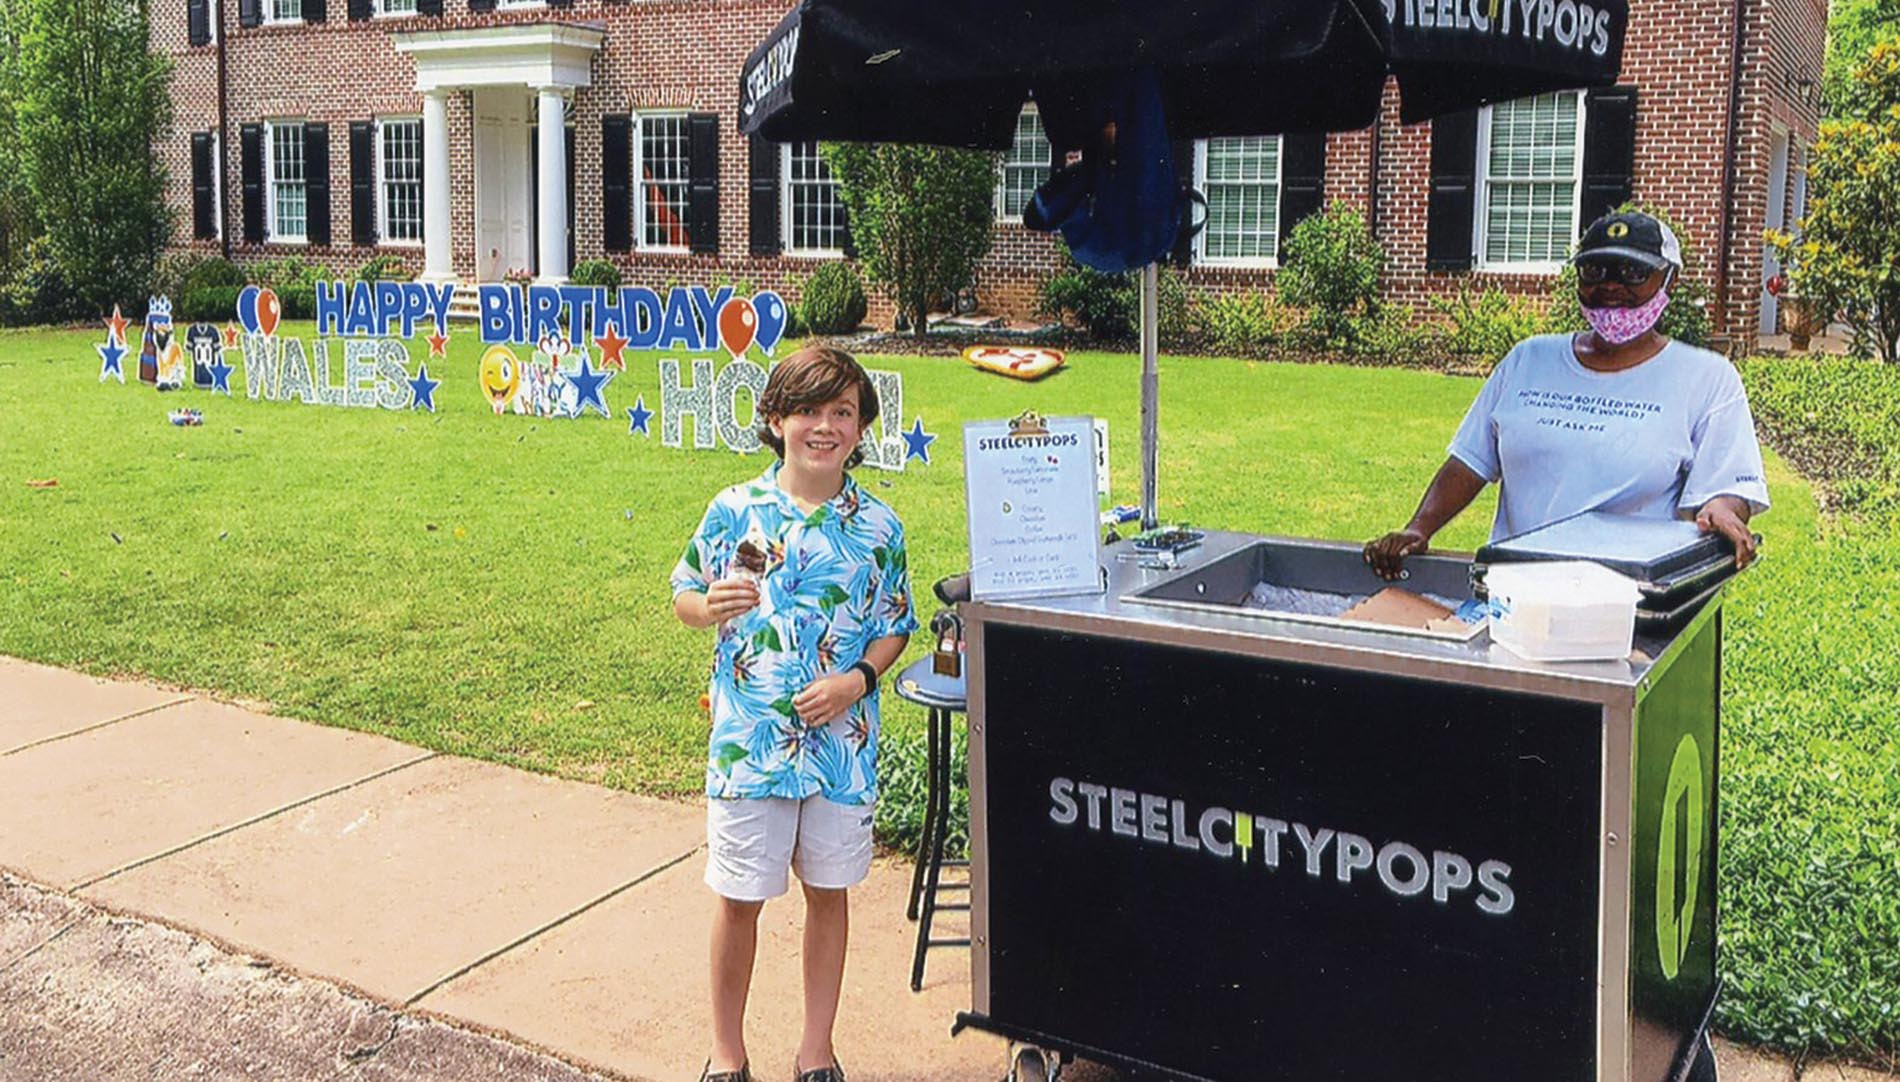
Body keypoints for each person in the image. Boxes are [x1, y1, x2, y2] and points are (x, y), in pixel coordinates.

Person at [671, 346, 917, 1082]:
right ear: (776, 420)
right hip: (751, 743)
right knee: (739, 898)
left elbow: (896, 622)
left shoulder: (878, 526)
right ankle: (726, 1053)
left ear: (861, 427)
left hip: (840, 749)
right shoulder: (735, 512)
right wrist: (706, 605)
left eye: (843, 412)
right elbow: (685, 595)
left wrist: (856, 682)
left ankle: (816, 1053)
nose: (826, 426)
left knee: (828, 894)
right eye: (810, 410)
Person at [1365, 210, 1771, 580]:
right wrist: (1419, 527)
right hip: (1515, 588)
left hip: (1627, 597)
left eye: (1632, 272)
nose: (1611, 285)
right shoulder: (1529, 359)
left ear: (1670, 280)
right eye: (1595, 270)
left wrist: (1723, 507)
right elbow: (1470, 462)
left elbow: (1727, 488)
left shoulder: (1707, 378)